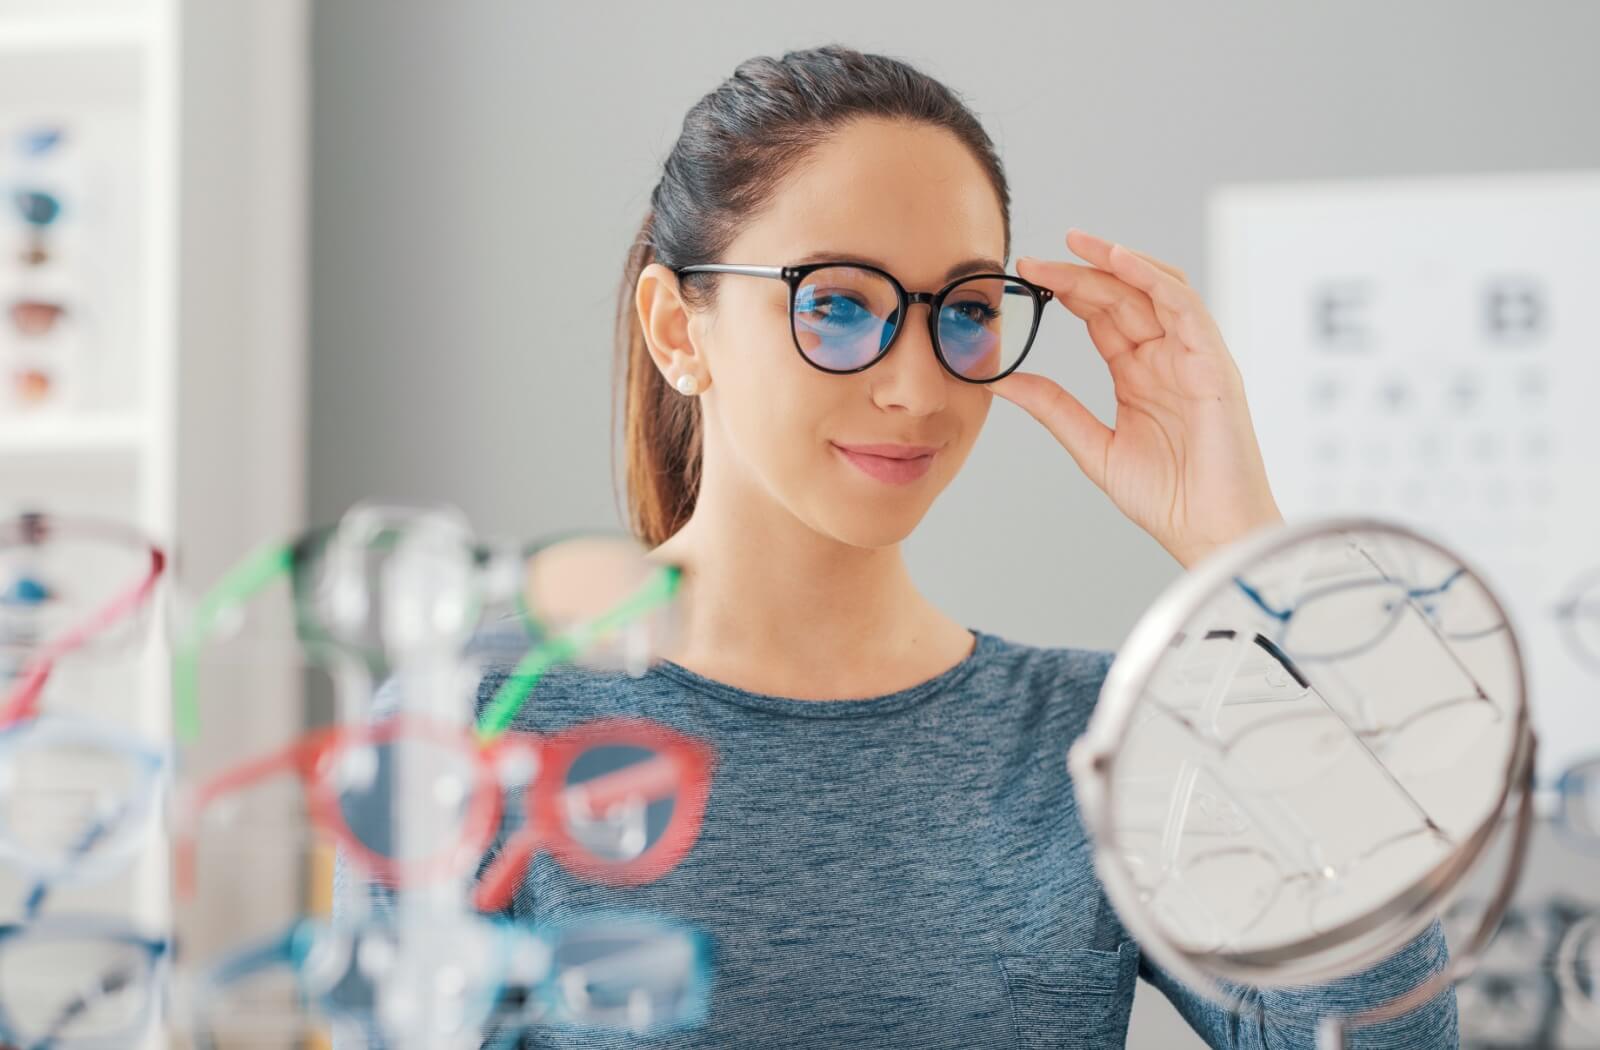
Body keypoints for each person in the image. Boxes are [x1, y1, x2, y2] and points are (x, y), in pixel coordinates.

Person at [479, 44, 1456, 1050]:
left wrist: (1245, 548)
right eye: (839, 304)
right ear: (677, 331)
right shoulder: (496, 725)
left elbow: (1383, 1035)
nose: (917, 386)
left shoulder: (1099, 743)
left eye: (967, 312)